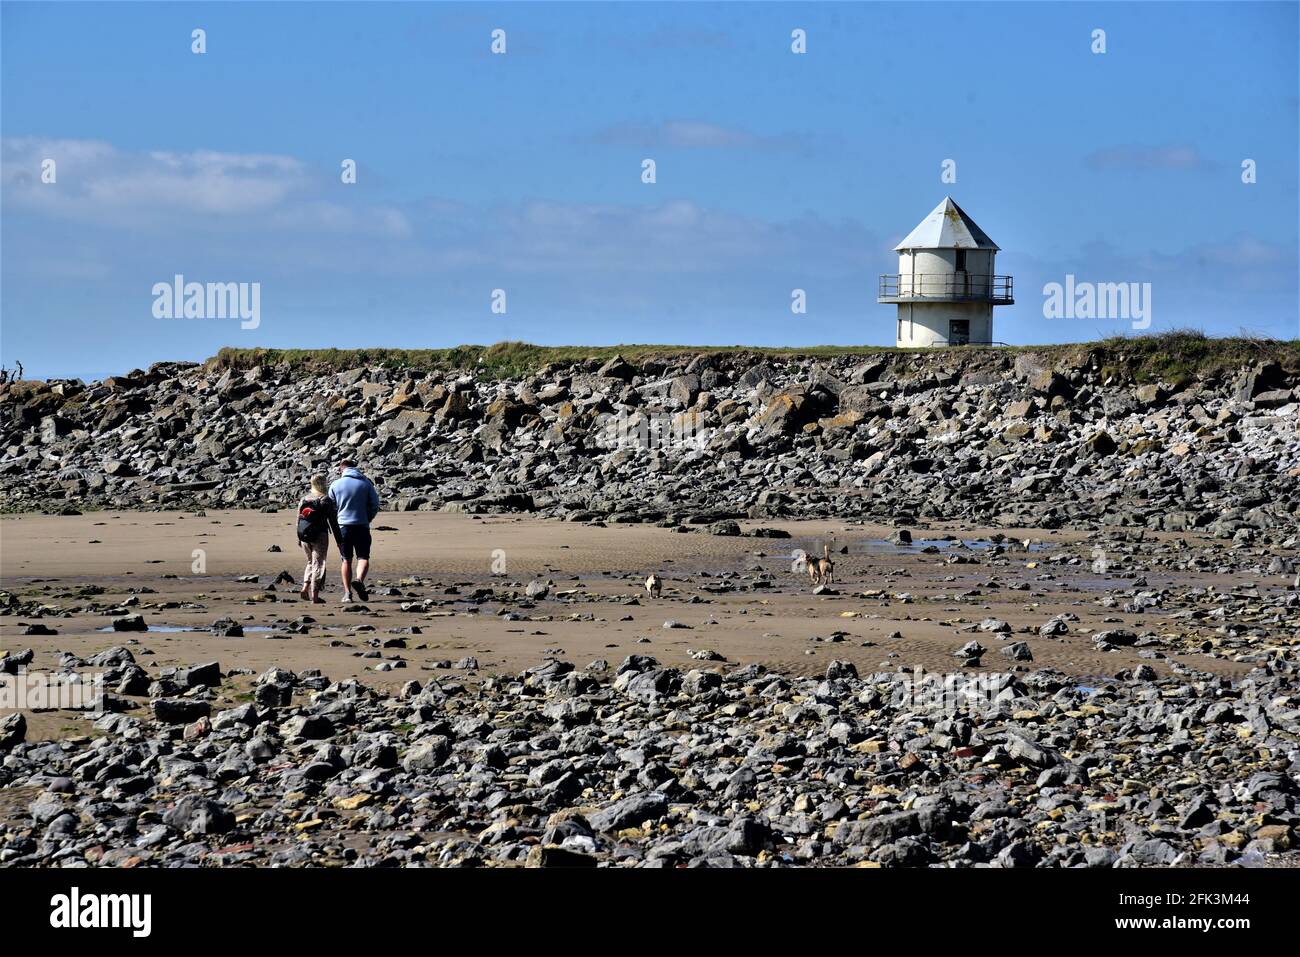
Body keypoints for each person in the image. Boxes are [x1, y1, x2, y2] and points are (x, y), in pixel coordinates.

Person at [328, 458, 380, 603]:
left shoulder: (335, 484)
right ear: (354, 468)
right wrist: (367, 518)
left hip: (343, 527)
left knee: (346, 560)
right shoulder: (365, 483)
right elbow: (375, 504)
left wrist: (335, 523)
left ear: (341, 469)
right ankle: (359, 580)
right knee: (363, 557)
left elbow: (331, 508)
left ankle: (347, 594)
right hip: (361, 525)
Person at [296, 474, 341, 604]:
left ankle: (305, 587)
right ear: (323, 484)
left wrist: (299, 537)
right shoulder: (325, 499)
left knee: (310, 562)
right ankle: (314, 596)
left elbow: (298, 520)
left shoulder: (304, 499)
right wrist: (339, 540)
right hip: (319, 535)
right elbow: (333, 522)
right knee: (318, 564)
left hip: (304, 534)